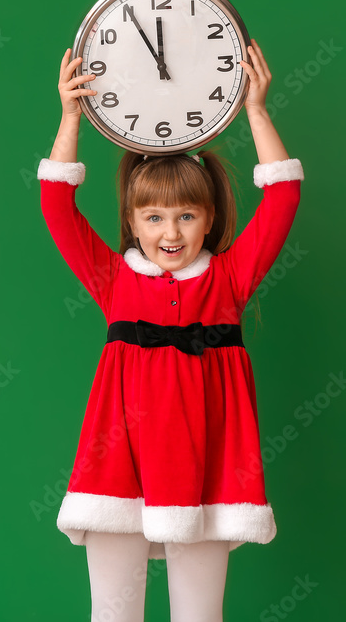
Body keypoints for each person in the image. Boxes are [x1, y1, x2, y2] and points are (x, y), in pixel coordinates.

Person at [37, 39, 304, 622]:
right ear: (132, 223)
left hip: (207, 466)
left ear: (210, 219)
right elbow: (57, 204)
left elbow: (283, 195)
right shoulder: (114, 280)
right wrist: (69, 117)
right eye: (153, 217)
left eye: (186, 215)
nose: (171, 232)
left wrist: (256, 111)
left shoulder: (229, 281)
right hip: (117, 463)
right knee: (112, 613)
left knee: (200, 616)